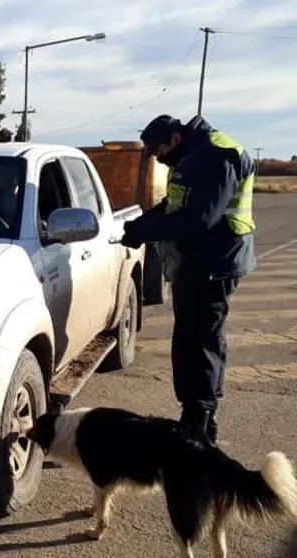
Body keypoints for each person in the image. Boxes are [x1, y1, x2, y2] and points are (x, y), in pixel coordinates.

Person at [120, 114, 256, 446]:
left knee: (202, 340)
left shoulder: (215, 154)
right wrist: (140, 225)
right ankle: (194, 414)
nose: (158, 158)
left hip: (216, 261)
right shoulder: (191, 155)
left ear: (175, 139)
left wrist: (146, 231)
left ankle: (202, 422)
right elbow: (175, 205)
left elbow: (200, 217)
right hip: (196, 262)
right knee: (188, 338)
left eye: (159, 151)